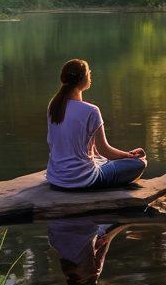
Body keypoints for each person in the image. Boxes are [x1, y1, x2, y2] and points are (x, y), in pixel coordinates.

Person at [46, 58, 147, 190]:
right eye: (88, 72)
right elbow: (104, 150)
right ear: (82, 79)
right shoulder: (91, 110)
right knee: (140, 162)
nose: (90, 74)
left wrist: (124, 155)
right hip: (83, 179)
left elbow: (92, 150)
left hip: (56, 178)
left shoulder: (53, 106)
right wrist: (129, 156)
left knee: (102, 159)